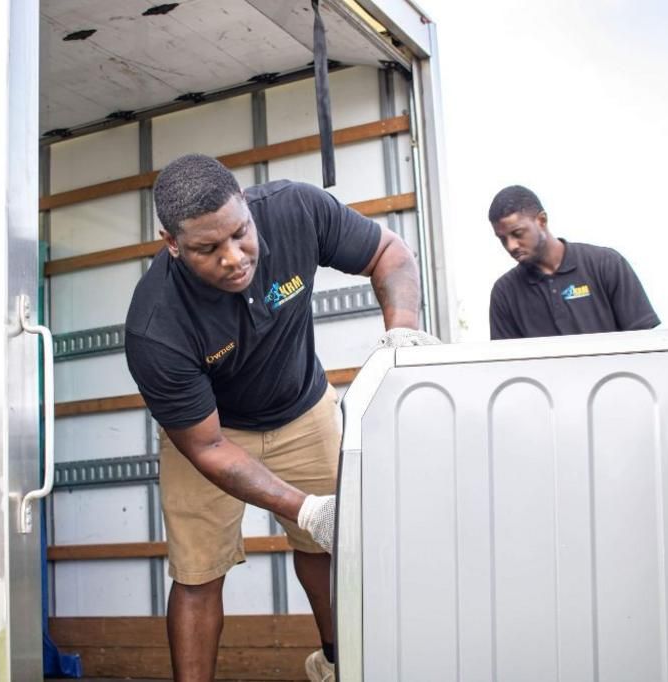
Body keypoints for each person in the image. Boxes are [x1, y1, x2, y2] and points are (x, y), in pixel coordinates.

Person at [124, 154, 438, 682]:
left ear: (246, 205)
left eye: (239, 234)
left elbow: (389, 252)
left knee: (329, 541)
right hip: (210, 434)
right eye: (207, 248)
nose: (234, 257)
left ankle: (336, 663)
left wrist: (401, 337)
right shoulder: (156, 326)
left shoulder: (295, 209)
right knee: (199, 573)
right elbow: (206, 448)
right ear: (172, 243)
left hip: (303, 408)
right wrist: (303, 507)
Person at [487, 185, 659, 339]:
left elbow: (645, 346)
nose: (511, 246)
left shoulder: (606, 264)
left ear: (542, 221)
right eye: (502, 239)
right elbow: (508, 369)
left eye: (517, 233)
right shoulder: (504, 293)